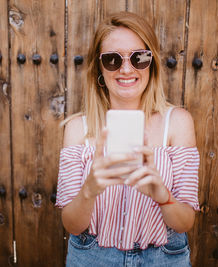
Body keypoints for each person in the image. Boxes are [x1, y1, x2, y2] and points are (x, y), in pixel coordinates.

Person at [56, 11, 200, 267]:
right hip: (92, 256)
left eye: (138, 58)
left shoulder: (178, 122)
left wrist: (162, 194)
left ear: (151, 63)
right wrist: (89, 191)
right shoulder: (78, 128)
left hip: (164, 258)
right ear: (100, 67)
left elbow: (185, 222)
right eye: (112, 59)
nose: (125, 69)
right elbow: (72, 225)